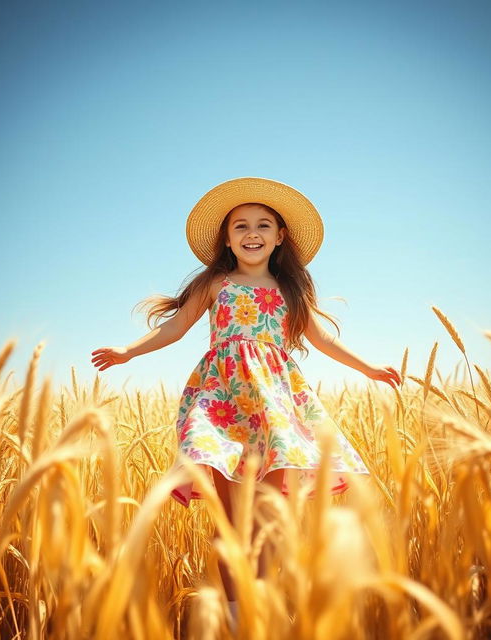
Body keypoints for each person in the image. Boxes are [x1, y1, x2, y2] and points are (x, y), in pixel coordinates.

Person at [91, 176, 401, 630]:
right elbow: (174, 327)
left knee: (270, 515)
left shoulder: (290, 289)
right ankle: (239, 616)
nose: (251, 233)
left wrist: (368, 368)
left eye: (263, 225)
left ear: (280, 237)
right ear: (227, 238)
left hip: (275, 401)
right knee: (231, 515)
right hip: (221, 401)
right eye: (240, 226)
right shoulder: (216, 283)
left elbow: (323, 339)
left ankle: (266, 600)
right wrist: (128, 351)